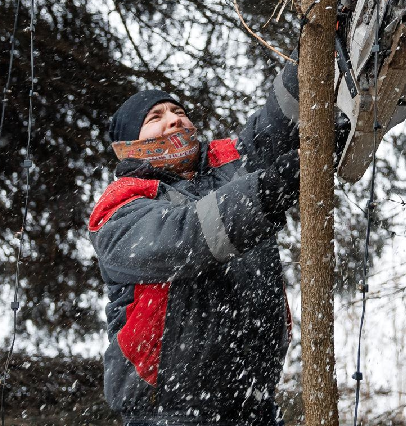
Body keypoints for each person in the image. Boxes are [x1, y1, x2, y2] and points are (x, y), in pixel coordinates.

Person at [88, 61, 300, 426]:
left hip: (256, 404)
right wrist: (264, 193)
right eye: (155, 117)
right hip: (167, 412)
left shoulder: (233, 165)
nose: (174, 119)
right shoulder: (121, 207)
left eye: (179, 111)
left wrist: (308, 60)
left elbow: (278, 123)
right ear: (128, 145)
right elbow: (183, 236)